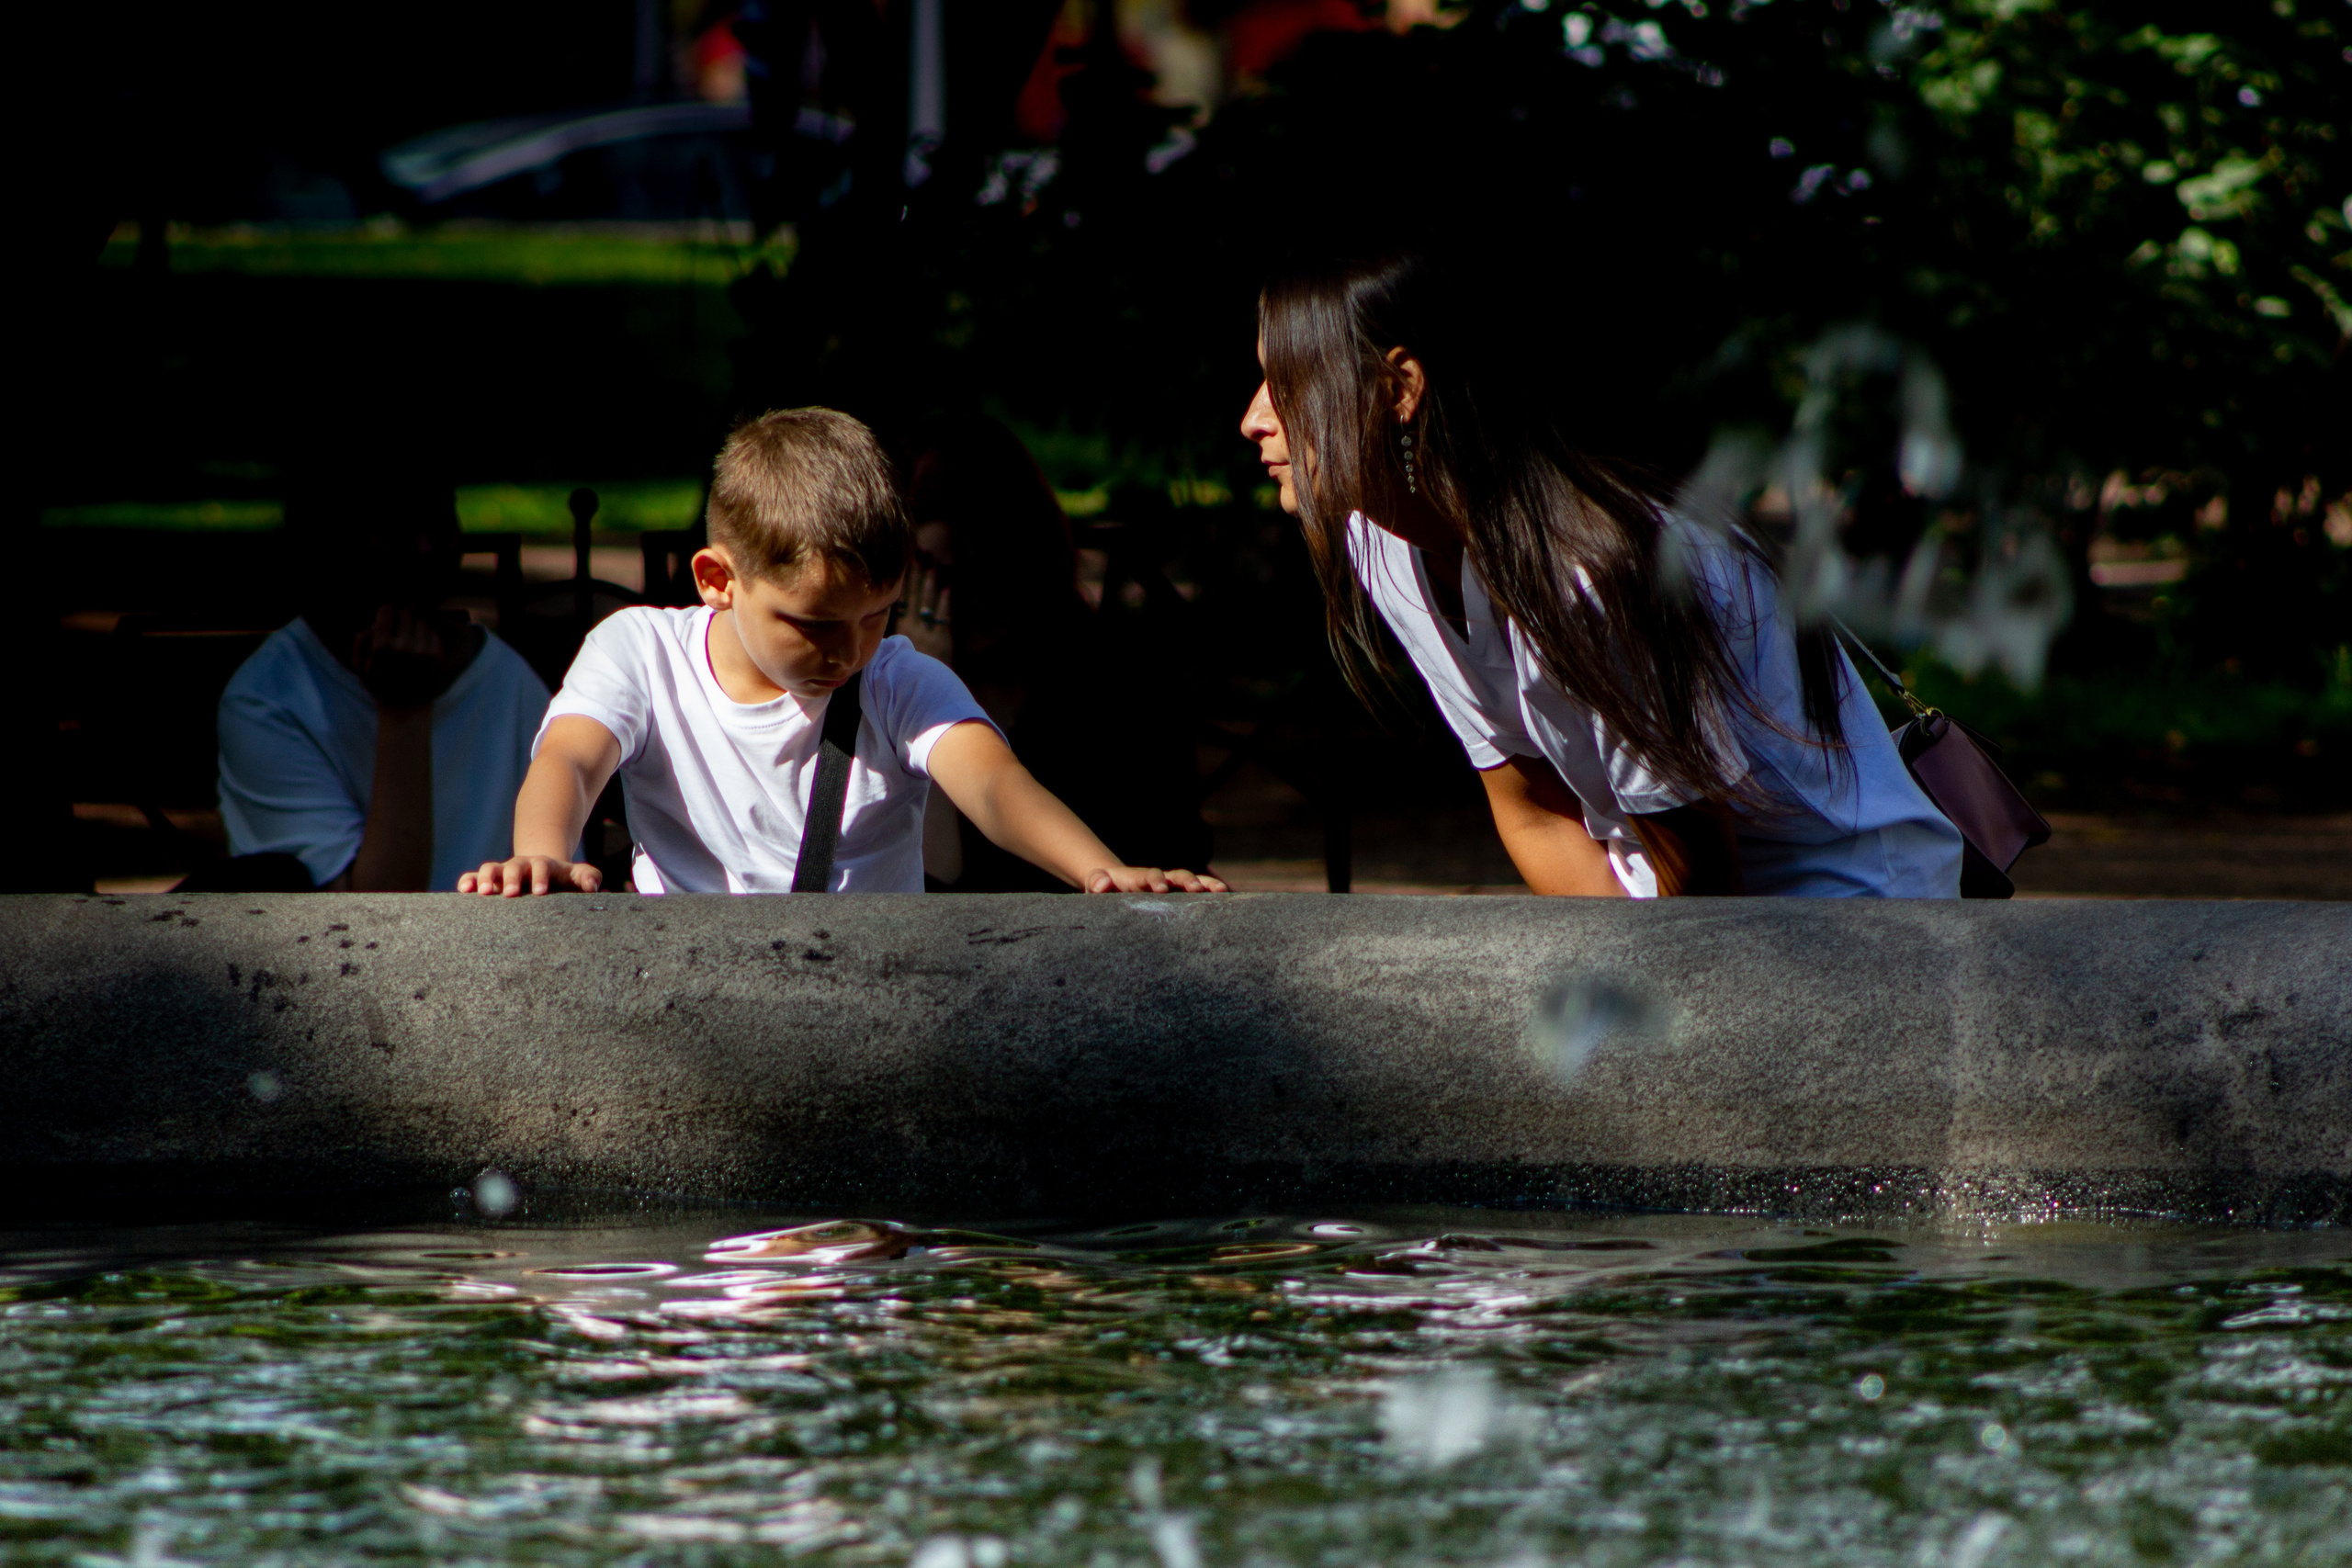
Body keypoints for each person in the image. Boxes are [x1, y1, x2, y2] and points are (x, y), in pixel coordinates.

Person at [1239, 252, 1962, 897]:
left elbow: (1704, 876)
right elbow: (1537, 814)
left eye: (1287, 383)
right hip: (1673, 910)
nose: (1252, 419)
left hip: (1851, 913)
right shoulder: (1382, 538)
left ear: (1401, 388)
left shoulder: (1596, 575)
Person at [459, 408, 1225, 897]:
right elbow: (569, 758)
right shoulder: (641, 651)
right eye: (815, 624)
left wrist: (1102, 871)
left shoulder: (896, 677)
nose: (850, 650)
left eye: (875, 616)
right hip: (692, 992)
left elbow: (994, 786)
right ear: (717, 579)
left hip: (872, 995)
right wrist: (544, 854)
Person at [898, 416, 1213, 891]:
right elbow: (934, 878)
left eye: (982, 574)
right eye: (936, 582)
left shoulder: (1114, 683)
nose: (963, 604)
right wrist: (925, 676)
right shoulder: (889, 689)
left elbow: (1171, 852)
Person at [213, 468, 551, 891]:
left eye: (441, 523)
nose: (426, 549)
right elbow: (372, 922)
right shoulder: (267, 700)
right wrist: (405, 711)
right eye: (398, 530)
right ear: (326, 541)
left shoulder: (505, 677)